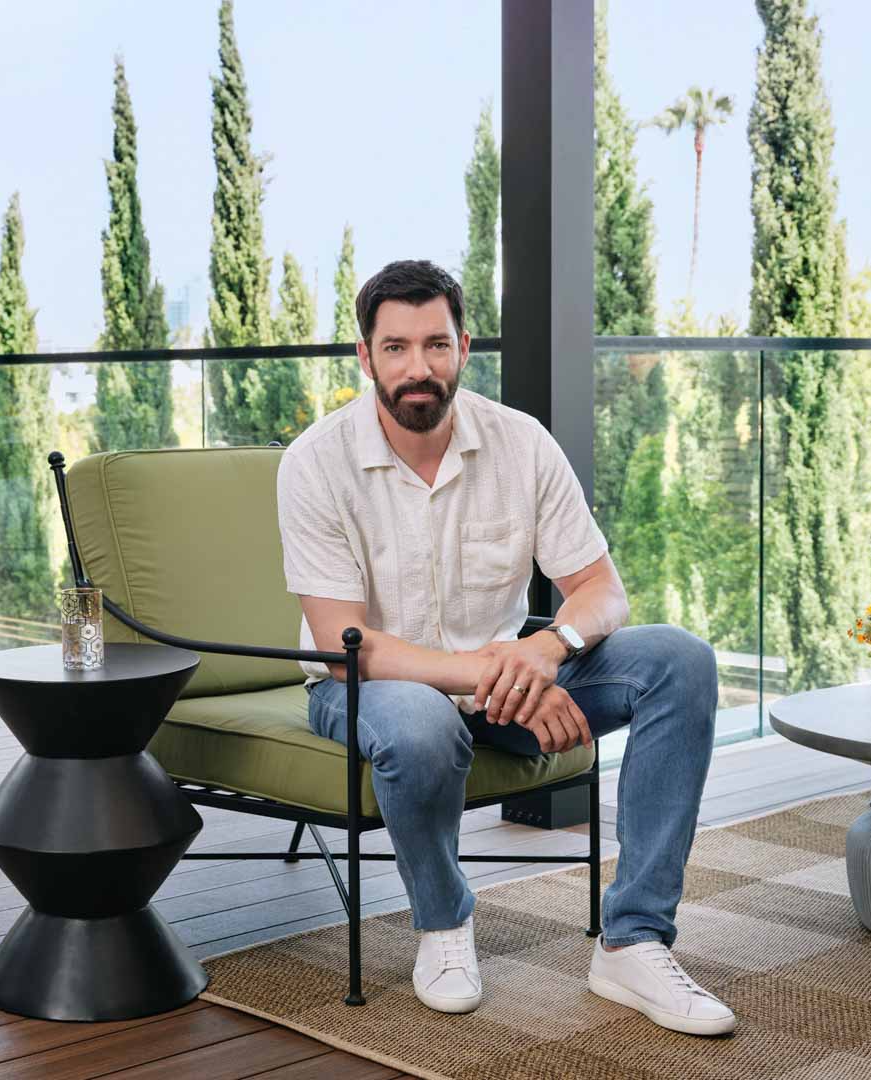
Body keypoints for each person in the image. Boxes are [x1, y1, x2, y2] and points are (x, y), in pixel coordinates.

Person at [277, 259, 735, 1036]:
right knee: (422, 722)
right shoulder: (315, 464)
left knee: (680, 661)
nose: (417, 368)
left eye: (436, 344)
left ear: (463, 347)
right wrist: (498, 670)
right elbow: (346, 646)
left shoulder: (520, 444)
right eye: (395, 348)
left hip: (505, 678)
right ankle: (445, 925)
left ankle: (633, 940)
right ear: (365, 357)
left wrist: (547, 650)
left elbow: (603, 592)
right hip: (369, 687)